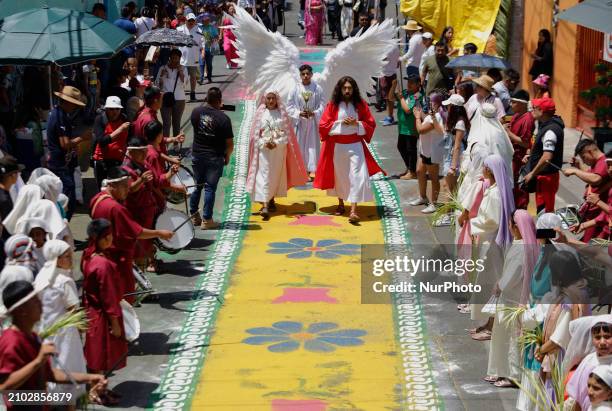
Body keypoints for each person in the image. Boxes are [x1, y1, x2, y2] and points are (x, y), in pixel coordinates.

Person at [0, 281, 107, 409]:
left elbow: (50, 374)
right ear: (22, 310)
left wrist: (90, 377)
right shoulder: (11, 342)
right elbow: (5, 387)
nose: (41, 304)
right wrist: (39, 361)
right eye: (35, 301)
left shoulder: (33, 337)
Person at [89, 166, 174, 304]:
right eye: (124, 187)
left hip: (100, 256)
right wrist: (160, 233)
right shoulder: (116, 208)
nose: (128, 190)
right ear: (113, 185)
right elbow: (137, 232)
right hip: (116, 261)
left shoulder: (96, 199)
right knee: (123, 300)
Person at [314, 76, 384, 223]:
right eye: (344, 88)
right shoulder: (332, 105)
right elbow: (323, 126)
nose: (347, 91)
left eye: (350, 88)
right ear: (340, 89)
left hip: (355, 146)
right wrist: (341, 123)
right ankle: (341, 204)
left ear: (354, 89)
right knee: (340, 176)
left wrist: (356, 124)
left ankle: (353, 210)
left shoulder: (361, 105)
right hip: (337, 147)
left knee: (357, 176)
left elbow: (370, 124)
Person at [465, 154, 515, 341]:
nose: (483, 169)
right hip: (488, 242)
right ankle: (488, 323)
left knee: (492, 284)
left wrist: (473, 223)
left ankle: (493, 326)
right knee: (486, 284)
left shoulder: (495, 194)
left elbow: (492, 220)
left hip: (492, 245)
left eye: (486, 167)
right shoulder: (494, 189)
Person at [486, 209, 538, 388]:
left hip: (510, 300)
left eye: (510, 223)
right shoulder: (531, 245)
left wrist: (499, 285)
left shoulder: (520, 248)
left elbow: (510, 278)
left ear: (516, 227)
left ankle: (510, 374)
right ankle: (501, 371)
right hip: (520, 299)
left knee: (509, 338)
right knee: (511, 338)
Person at [34, 240, 88, 404]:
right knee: (69, 368)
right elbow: (74, 312)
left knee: (52, 368)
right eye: (67, 256)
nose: (71, 259)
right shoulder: (65, 282)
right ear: (57, 259)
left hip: (46, 331)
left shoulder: (41, 277)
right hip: (66, 336)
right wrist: (81, 334)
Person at [81, 219, 128, 386]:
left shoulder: (87, 254)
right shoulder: (102, 264)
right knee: (102, 354)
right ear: (98, 239)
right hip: (102, 315)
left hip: (90, 311)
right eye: (105, 237)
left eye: (110, 235)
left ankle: (96, 388)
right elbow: (108, 297)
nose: (110, 239)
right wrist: (115, 323)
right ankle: (97, 390)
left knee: (95, 352)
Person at [246, 91, 308, 218]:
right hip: (264, 150)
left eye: (273, 98)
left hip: (278, 150)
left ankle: (271, 199)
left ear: (277, 99)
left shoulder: (282, 114)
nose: (270, 101)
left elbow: (287, 134)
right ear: (265, 99)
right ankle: (264, 205)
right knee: (263, 175)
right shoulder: (260, 114)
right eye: (268, 98)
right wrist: (264, 142)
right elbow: (254, 135)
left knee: (274, 175)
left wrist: (277, 142)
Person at [189, 87, 234, 229]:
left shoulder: (196, 112)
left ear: (206, 99)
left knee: (197, 185)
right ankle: (207, 220)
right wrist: (227, 156)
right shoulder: (223, 119)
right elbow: (229, 143)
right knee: (210, 188)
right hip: (214, 157)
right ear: (220, 101)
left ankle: (194, 216)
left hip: (197, 154)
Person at [46, 86, 86, 220]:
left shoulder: (57, 113)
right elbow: (65, 144)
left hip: (61, 163)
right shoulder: (60, 117)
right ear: (68, 102)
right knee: (68, 199)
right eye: (74, 104)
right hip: (61, 165)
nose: (75, 107)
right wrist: (82, 138)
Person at [122, 138, 159, 272]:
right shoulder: (126, 170)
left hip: (148, 212)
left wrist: (170, 173)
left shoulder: (145, 165)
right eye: (141, 152)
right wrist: (141, 180)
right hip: (136, 215)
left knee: (147, 246)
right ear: (131, 153)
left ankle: (147, 265)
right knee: (137, 251)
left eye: (145, 152)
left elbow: (156, 181)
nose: (145, 155)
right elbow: (129, 189)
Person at [523, 97, 564, 213]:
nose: (532, 110)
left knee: (545, 213)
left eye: (534, 108)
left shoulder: (550, 131)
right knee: (543, 210)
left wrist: (532, 173)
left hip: (546, 180)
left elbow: (547, 156)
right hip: (544, 178)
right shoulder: (546, 125)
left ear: (542, 111)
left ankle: (546, 232)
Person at [565, 139, 610, 242]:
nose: (584, 161)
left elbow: (595, 179)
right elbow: (590, 174)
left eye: (583, 157)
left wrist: (575, 171)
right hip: (592, 212)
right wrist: (578, 165)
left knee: (590, 248)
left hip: (599, 214)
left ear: (590, 152)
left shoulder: (603, 162)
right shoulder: (597, 163)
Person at [409, 92, 446, 214]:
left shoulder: (438, 116)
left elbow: (421, 130)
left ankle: (434, 204)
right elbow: (427, 119)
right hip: (424, 150)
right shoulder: (432, 114)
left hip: (432, 152)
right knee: (420, 172)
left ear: (437, 102)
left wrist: (417, 117)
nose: (429, 103)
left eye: (431, 101)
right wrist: (421, 114)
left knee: (434, 178)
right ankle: (422, 197)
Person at [287, 65, 325, 179]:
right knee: (300, 146)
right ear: (300, 75)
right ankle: (301, 170)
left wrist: (315, 113)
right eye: (303, 74)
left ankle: (312, 170)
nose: (305, 76)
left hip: (312, 122)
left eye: (308, 74)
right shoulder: (295, 89)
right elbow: (289, 106)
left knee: (312, 146)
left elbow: (323, 105)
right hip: (300, 122)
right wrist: (298, 113)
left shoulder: (317, 88)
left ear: (311, 74)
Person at [567, 320, 612, 411]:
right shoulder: (588, 361)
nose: (602, 342)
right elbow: (578, 396)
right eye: (598, 337)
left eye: (607, 337)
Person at [133, 85, 185, 162]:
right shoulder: (149, 120)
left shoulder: (145, 113)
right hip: (151, 163)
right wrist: (170, 159)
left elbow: (155, 139)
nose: (162, 100)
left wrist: (173, 139)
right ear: (155, 100)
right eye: (161, 98)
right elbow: (151, 148)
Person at [503, 89, 535, 210]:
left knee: (520, 188)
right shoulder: (516, 115)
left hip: (520, 160)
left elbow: (526, 143)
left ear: (521, 103)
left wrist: (508, 132)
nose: (511, 105)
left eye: (514, 102)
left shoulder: (528, 119)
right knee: (512, 186)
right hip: (512, 158)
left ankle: (521, 212)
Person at [92, 96, 130, 190]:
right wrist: (120, 130)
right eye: (111, 109)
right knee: (103, 189)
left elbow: (130, 138)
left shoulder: (124, 119)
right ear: (106, 109)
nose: (115, 112)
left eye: (117, 109)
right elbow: (102, 141)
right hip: (102, 161)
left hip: (119, 160)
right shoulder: (100, 120)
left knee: (117, 188)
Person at [393, 74, 425, 180]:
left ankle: (412, 171)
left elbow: (407, 110)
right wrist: (393, 86)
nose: (409, 84)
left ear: (418, 84)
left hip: (411, 128)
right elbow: (389, 98)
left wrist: (401, 98)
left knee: (411, 149)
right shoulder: (406, 93)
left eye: (412, 82)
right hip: (402, 127)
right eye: (408, 82)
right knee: (401, 147)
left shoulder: (417, 95)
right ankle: (409, 168)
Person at [156, 49, 187, 139]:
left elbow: (185, 83)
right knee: (166, 123)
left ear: (179, 58)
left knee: (176, 122)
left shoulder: (184, 68)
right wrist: (162, 76)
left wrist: (180, 72)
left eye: (176, 58)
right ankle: (165, 144)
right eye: (172, 58)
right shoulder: (163, 68)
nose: (174, 60)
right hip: (165, 99)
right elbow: (157, 84)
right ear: (169, 58)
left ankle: (176, 143)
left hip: (179, 99)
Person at [442, 93, 469, 195]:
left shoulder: (460, 123)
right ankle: (450, 210)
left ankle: (449, 211)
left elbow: (457, 146)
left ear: (453, 108)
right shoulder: (457, 120)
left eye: (449, 105)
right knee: (449, 186)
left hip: (455, 158)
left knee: (449, 187)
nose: (447, 107)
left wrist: (453, 167)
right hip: (452, 155)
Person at [177, 13, 204, 101]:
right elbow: (175, 42)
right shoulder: (179, 29)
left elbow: (202, 44)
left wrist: (203, 52)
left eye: (193, 20)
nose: (191, 22)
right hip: (182, 58)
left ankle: (192, 94)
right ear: (186, 20)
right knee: (182, 77)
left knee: (193, 77)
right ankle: (182, 94)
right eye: (189, 20)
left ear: (195, 21)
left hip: (194, 58)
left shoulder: (199, 31)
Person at [198, 13, 220, 85]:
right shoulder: (200, 28)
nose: (206, 21)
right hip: (201, 49)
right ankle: (201, 79)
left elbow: (217, 36)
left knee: (209, 64)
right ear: (202, 20)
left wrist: (213, 38)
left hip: (210, 49)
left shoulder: (212, 27)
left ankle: (209, 77)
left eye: (208, 19)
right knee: (201, 63)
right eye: (205, 20)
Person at [221, 5, 239, 70]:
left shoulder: (236, 17)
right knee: (227, 49)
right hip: (226, 35)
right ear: (228, 10)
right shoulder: (225, 16)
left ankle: (233, 62)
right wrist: (220, 36)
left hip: (234, 35)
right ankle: (228, 62)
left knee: (234, 50)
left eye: (233, 9)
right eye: (231, 9)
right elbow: (222, 26)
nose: (232, 10)